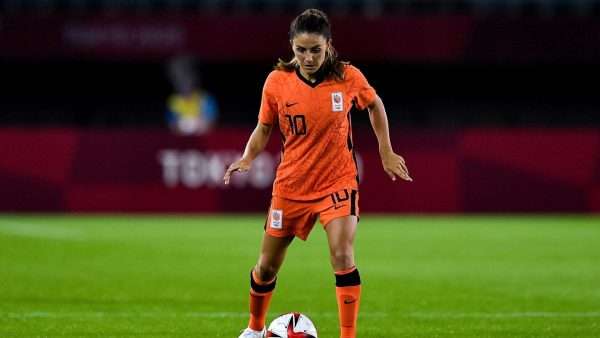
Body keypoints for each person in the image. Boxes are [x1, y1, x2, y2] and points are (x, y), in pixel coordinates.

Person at [223, 8, 412, 338]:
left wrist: (386, 150)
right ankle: (254, 329)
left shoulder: (347, 77)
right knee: (266, 267)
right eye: (300, 50)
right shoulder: (277, 83)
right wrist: (247, 157)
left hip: (336, 182)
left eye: (315, 50)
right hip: (291, 185)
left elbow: (375, 104)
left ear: (328, 46)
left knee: (342, 254)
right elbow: (264, 128)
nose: (308, 57)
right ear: (291, 47)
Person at [165, 55, 218, 136]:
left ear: (194, 79)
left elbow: (211, 121)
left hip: (203, 139)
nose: (185, 82)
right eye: (181, 79)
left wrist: (198, 125)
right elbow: (171, 124)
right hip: (180, 141)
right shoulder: (173, 101)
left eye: (188, 79)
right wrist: (182, 126)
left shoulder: (205, 99)